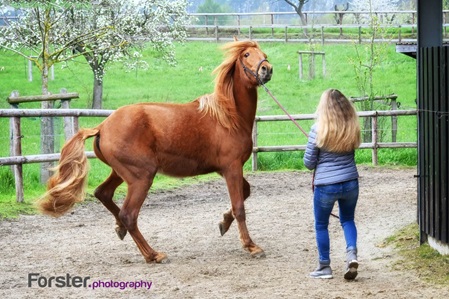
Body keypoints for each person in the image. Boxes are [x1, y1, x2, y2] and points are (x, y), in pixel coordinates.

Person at [303, 89, 361, 280]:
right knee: (347, 220)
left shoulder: (317, 129)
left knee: (321, 224)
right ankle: (351, 255)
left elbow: (309, 163)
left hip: (326, 185)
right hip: (351, 182)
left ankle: (324, 266)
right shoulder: (351, 126)